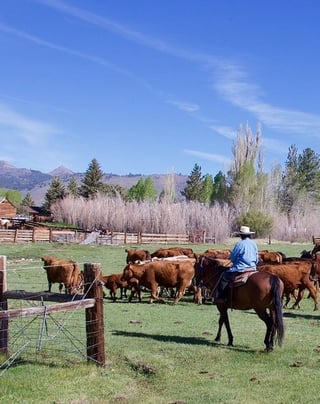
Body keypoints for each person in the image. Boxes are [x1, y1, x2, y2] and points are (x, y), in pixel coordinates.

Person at [214, 225, 259, 304]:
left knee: (224, 278)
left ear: (241, 235)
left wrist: (233, 260)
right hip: (252, 268)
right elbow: (256, 258)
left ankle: (221, 297)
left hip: (240, 268)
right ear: (249, 235)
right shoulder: (253, 244)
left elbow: (233, 258)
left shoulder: (239, 244)